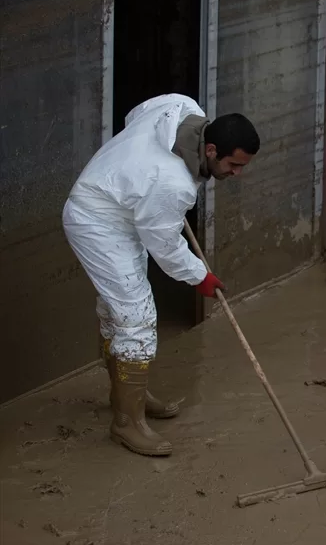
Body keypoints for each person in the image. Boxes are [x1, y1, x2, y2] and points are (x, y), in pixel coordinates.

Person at [62, 94, 259, 457]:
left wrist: (136, 170)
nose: (237, 173)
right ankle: (127, 424)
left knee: (117, 309)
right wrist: (201, 277)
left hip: (123, 205)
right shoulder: (172, 184)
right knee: (137, 318)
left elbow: (133, 114)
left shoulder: (183, 108)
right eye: (234, 165)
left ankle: (125, 397)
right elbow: (165, 248)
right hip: (96, 221)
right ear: (211, 149)